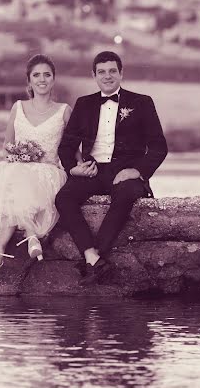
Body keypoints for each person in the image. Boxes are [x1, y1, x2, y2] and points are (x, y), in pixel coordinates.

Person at [0, 54, 71, 279]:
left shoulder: (64, 110)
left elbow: (71, 150)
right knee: (14, 179)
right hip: (19, 167)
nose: (42, 79)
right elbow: (7, 146)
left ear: (54, 79)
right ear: (29, 80)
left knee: (16, 187)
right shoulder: (18, 108)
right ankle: (30, 236)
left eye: (47, 75)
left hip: (48, 172)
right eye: (36, 75)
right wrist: (19, 155)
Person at [55, 51, 168, 285]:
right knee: (63, 198)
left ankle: (94, 257)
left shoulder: (142, 102)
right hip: (92, 171)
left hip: (125, 171)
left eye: (112, 71)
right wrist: (73, 168)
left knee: (126, 194)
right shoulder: (84, 104)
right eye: (102, 72)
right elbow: (66, 146)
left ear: (121, 73)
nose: (107, 76)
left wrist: (136, 171)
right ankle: (91, 256)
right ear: (94, 76)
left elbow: (159, 147)